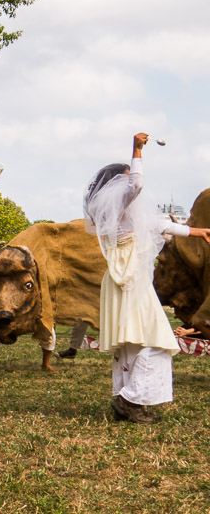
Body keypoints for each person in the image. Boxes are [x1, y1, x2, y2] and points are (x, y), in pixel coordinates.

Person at [83, 133, 210, 424]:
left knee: (132, 342)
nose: (132, 187)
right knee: (156, 340)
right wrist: (136, 151)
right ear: (116, 185)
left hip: (123, 279)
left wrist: (197, 232)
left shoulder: (123, 214)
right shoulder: (122, 201)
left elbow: (158, 223)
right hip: (129, 279)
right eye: (125, 180)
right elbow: (137, 184)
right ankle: (131, 399)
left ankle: (125, 401)